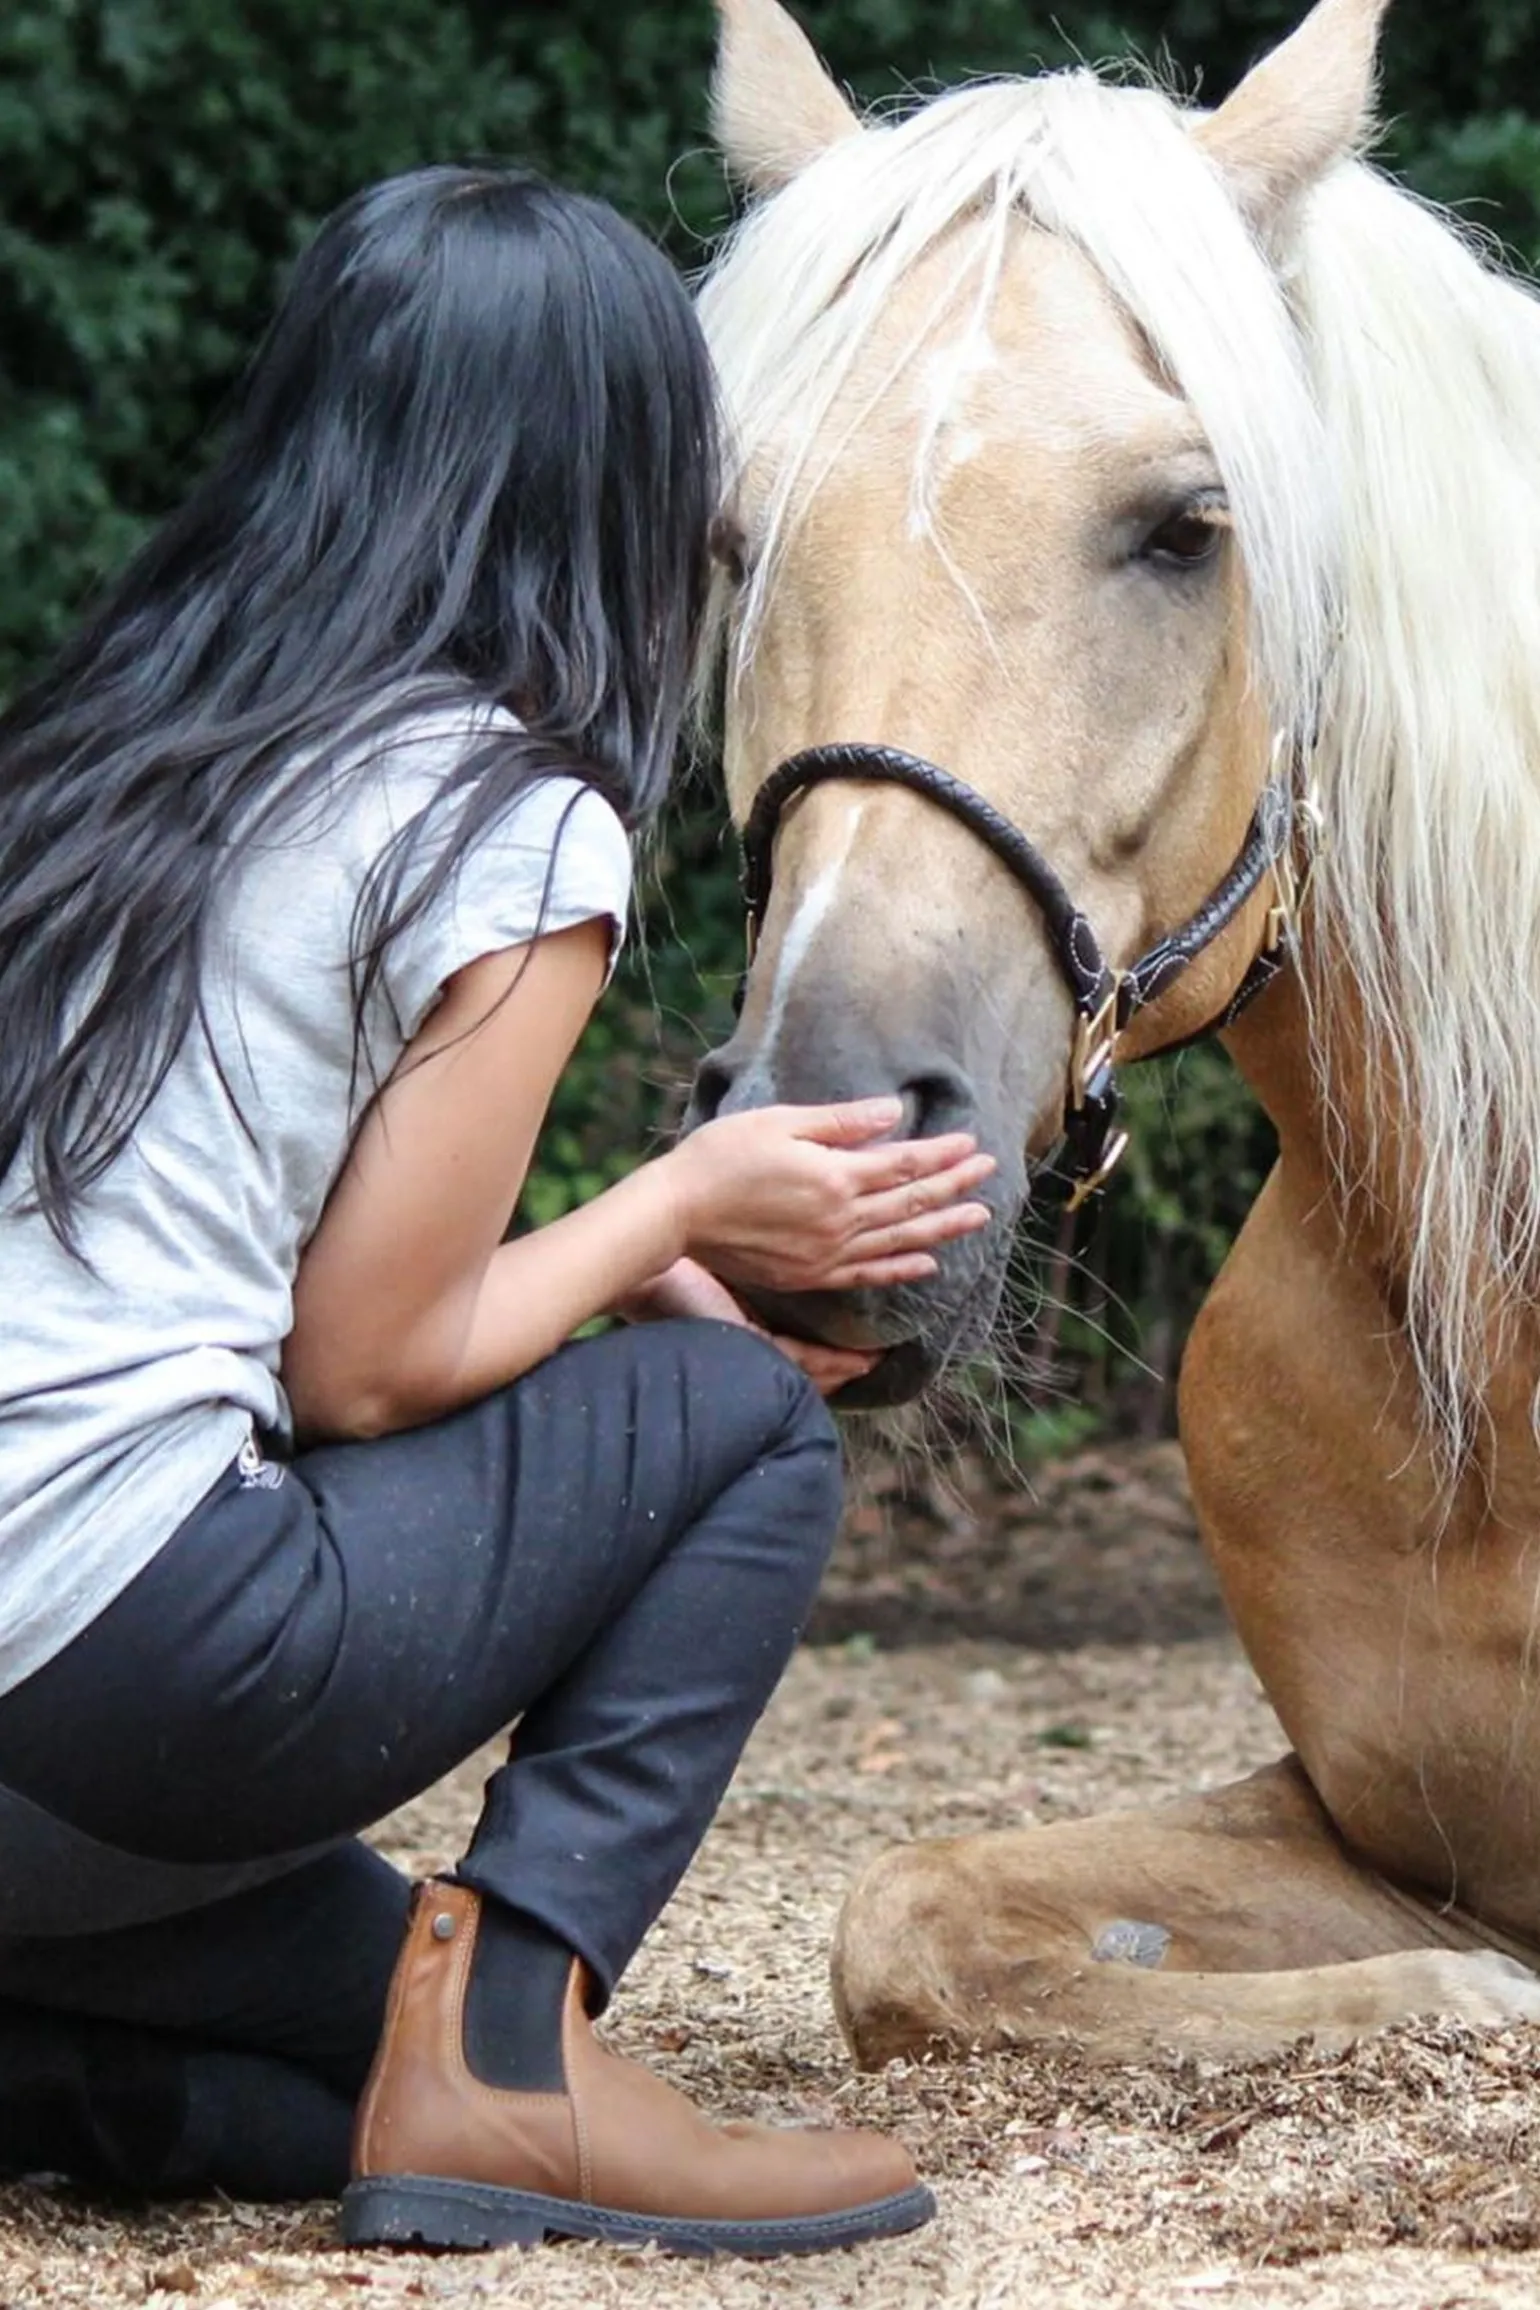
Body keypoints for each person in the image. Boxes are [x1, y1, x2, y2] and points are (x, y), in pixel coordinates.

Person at [0, 164, 996, 2258]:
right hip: (125, 1662)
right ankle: (518, 2057)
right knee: (731, 1425)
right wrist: (682, 1201)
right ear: (617, 484)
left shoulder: (100, 760)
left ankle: (377, 2083)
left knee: (349, 2060)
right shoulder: (494, 807)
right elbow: (360, 1365)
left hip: (37, 1775)